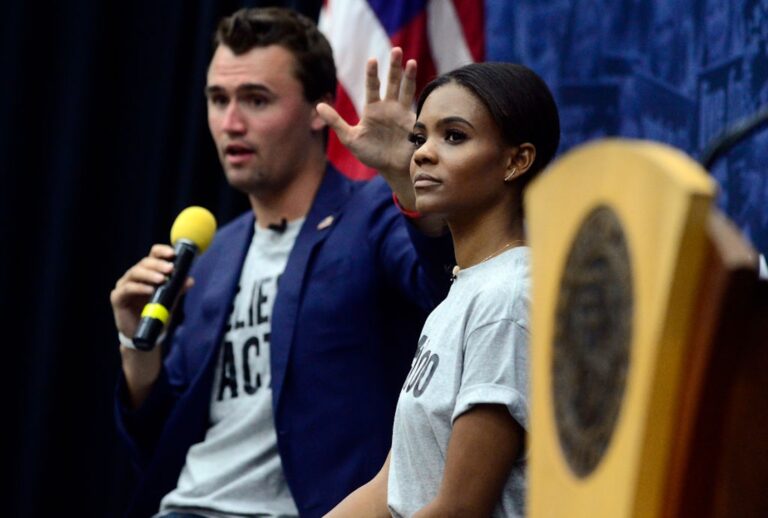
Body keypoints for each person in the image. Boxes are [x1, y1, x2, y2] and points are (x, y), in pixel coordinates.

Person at [110, 7, 452, 518]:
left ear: (320, 109)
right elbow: (157, 445)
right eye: (218, 99)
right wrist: (138, 345)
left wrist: (407, 184)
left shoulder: (375, 215)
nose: (231, 123)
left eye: (255, 99)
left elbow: (446, 292)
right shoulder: (217, 252)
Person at [320, 61, 561, 516]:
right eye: (419, 137)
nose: (423, 154)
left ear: (517, 160)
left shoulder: (508, 298)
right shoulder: (462, 294)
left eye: (453, 136)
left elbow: (460, 508)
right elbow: (389, 489)